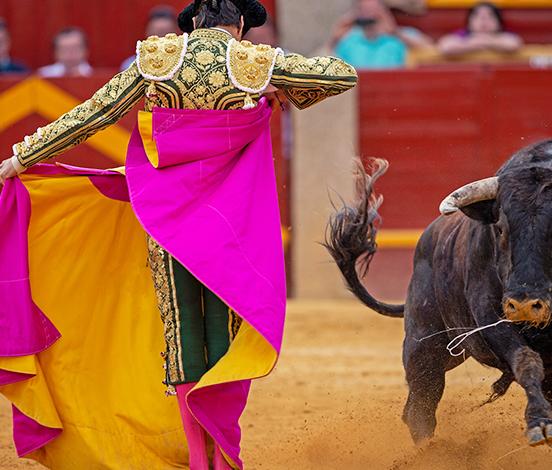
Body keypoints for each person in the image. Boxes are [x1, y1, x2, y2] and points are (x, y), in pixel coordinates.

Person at [0, 1, 357, 469]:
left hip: (166, 219)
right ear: (243, 24)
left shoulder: (157, 59)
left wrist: (21, 158)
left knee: (183, 330)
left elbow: (91, 115)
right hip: (229, 227)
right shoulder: (254, 62)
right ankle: (223, 455)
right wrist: (272, 85)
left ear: (191, 23)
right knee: (221, 336)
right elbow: (341, 75)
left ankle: (196, 458)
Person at [329, 0, 432, 69]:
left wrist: (394, 32)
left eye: (373, 9)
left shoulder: (398, 35)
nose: (369, 13)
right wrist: (335, 39)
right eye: (364, 9)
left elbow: (429, 48)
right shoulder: (348, 38)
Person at [436, 2, 522, 57]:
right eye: (478, 16)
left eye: (490, 16)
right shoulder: (463, 34)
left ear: (499, 22)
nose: (484, 21)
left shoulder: (504, 35)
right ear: (469, 22)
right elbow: (445, 47)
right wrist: (472, 44)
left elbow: (513, 44)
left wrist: (484, 41)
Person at [120, 5, 179, 70]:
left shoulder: (186, 63)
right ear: (147, 32)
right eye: (157, 33)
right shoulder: (131, 65)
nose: (161, 39)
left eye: (167, 33)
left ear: (176, 33)